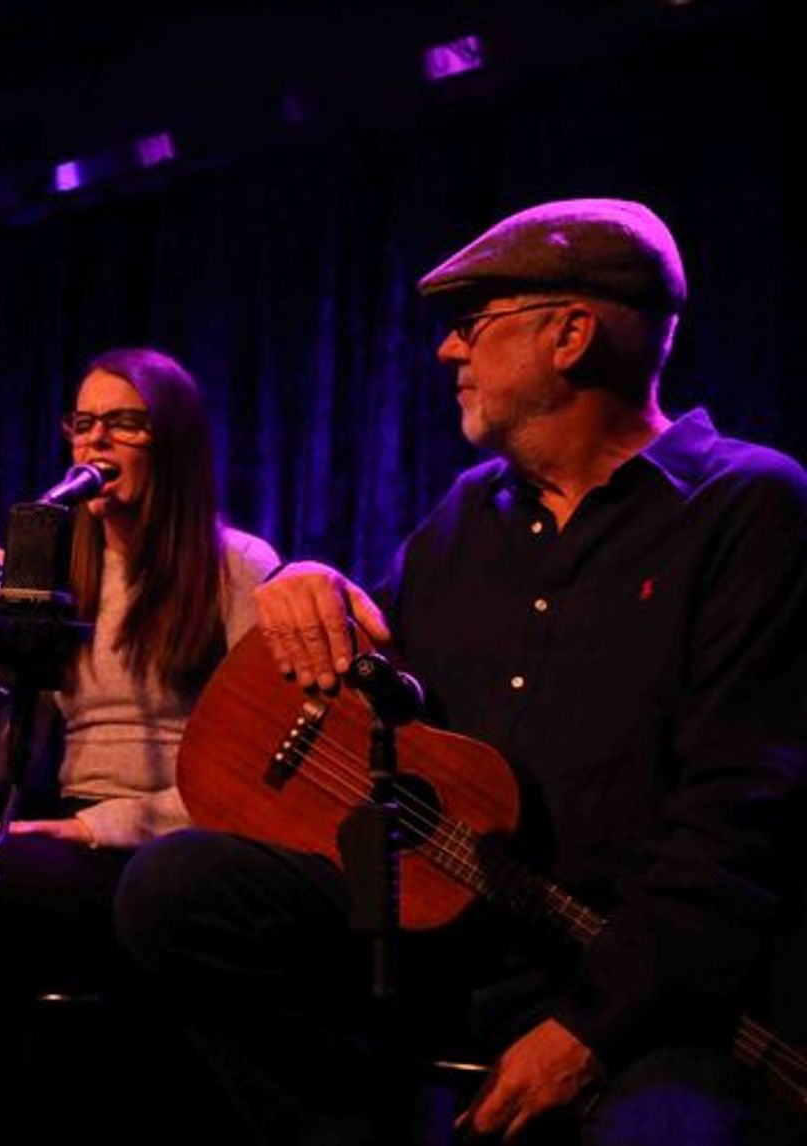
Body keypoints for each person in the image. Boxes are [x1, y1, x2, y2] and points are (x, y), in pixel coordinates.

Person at [113, 200, 807, 1143]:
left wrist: (584, 1031)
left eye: (474, 324)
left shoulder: (748, 506)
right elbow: (374, 684)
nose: (447, 353)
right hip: (455, 939)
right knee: (178, 890)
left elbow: (736, 824)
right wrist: (309, 585)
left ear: (570, 335)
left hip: (648, 984)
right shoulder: (464, 517)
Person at [0, 348, 279, 1133]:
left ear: (170, 440)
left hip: (165, 855)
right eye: (83, 424)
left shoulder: (239, 569)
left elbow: (256, 776)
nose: (96, 443)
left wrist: (99, 828)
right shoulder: (64, 570)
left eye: (123, 424)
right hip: (63, 842)